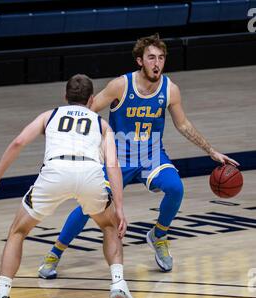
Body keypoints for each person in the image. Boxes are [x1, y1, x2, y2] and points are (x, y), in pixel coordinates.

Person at [38, 33, 239, 279]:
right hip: (118, 158)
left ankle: (159, 235)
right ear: (139, 61)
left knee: (176, 188)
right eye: (151, 57)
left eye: (161, 58)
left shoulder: (170, 89)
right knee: (87, 207)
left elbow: (183, 124)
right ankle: (55, 253)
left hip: (152, 155)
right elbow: (85, 112)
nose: (157, 63)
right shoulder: (120, 86)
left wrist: (211, 151)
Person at [0, 74, 138, 298]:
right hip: (89, 172)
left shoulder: (49, 115)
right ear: (91, 100)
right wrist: (119, 207)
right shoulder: (102, 124)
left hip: (55, 171)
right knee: (110, 225)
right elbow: (112, 165)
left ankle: (2, 295)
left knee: (17, 232)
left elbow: (19, 142)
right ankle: (118, 283)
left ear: (65, 96)